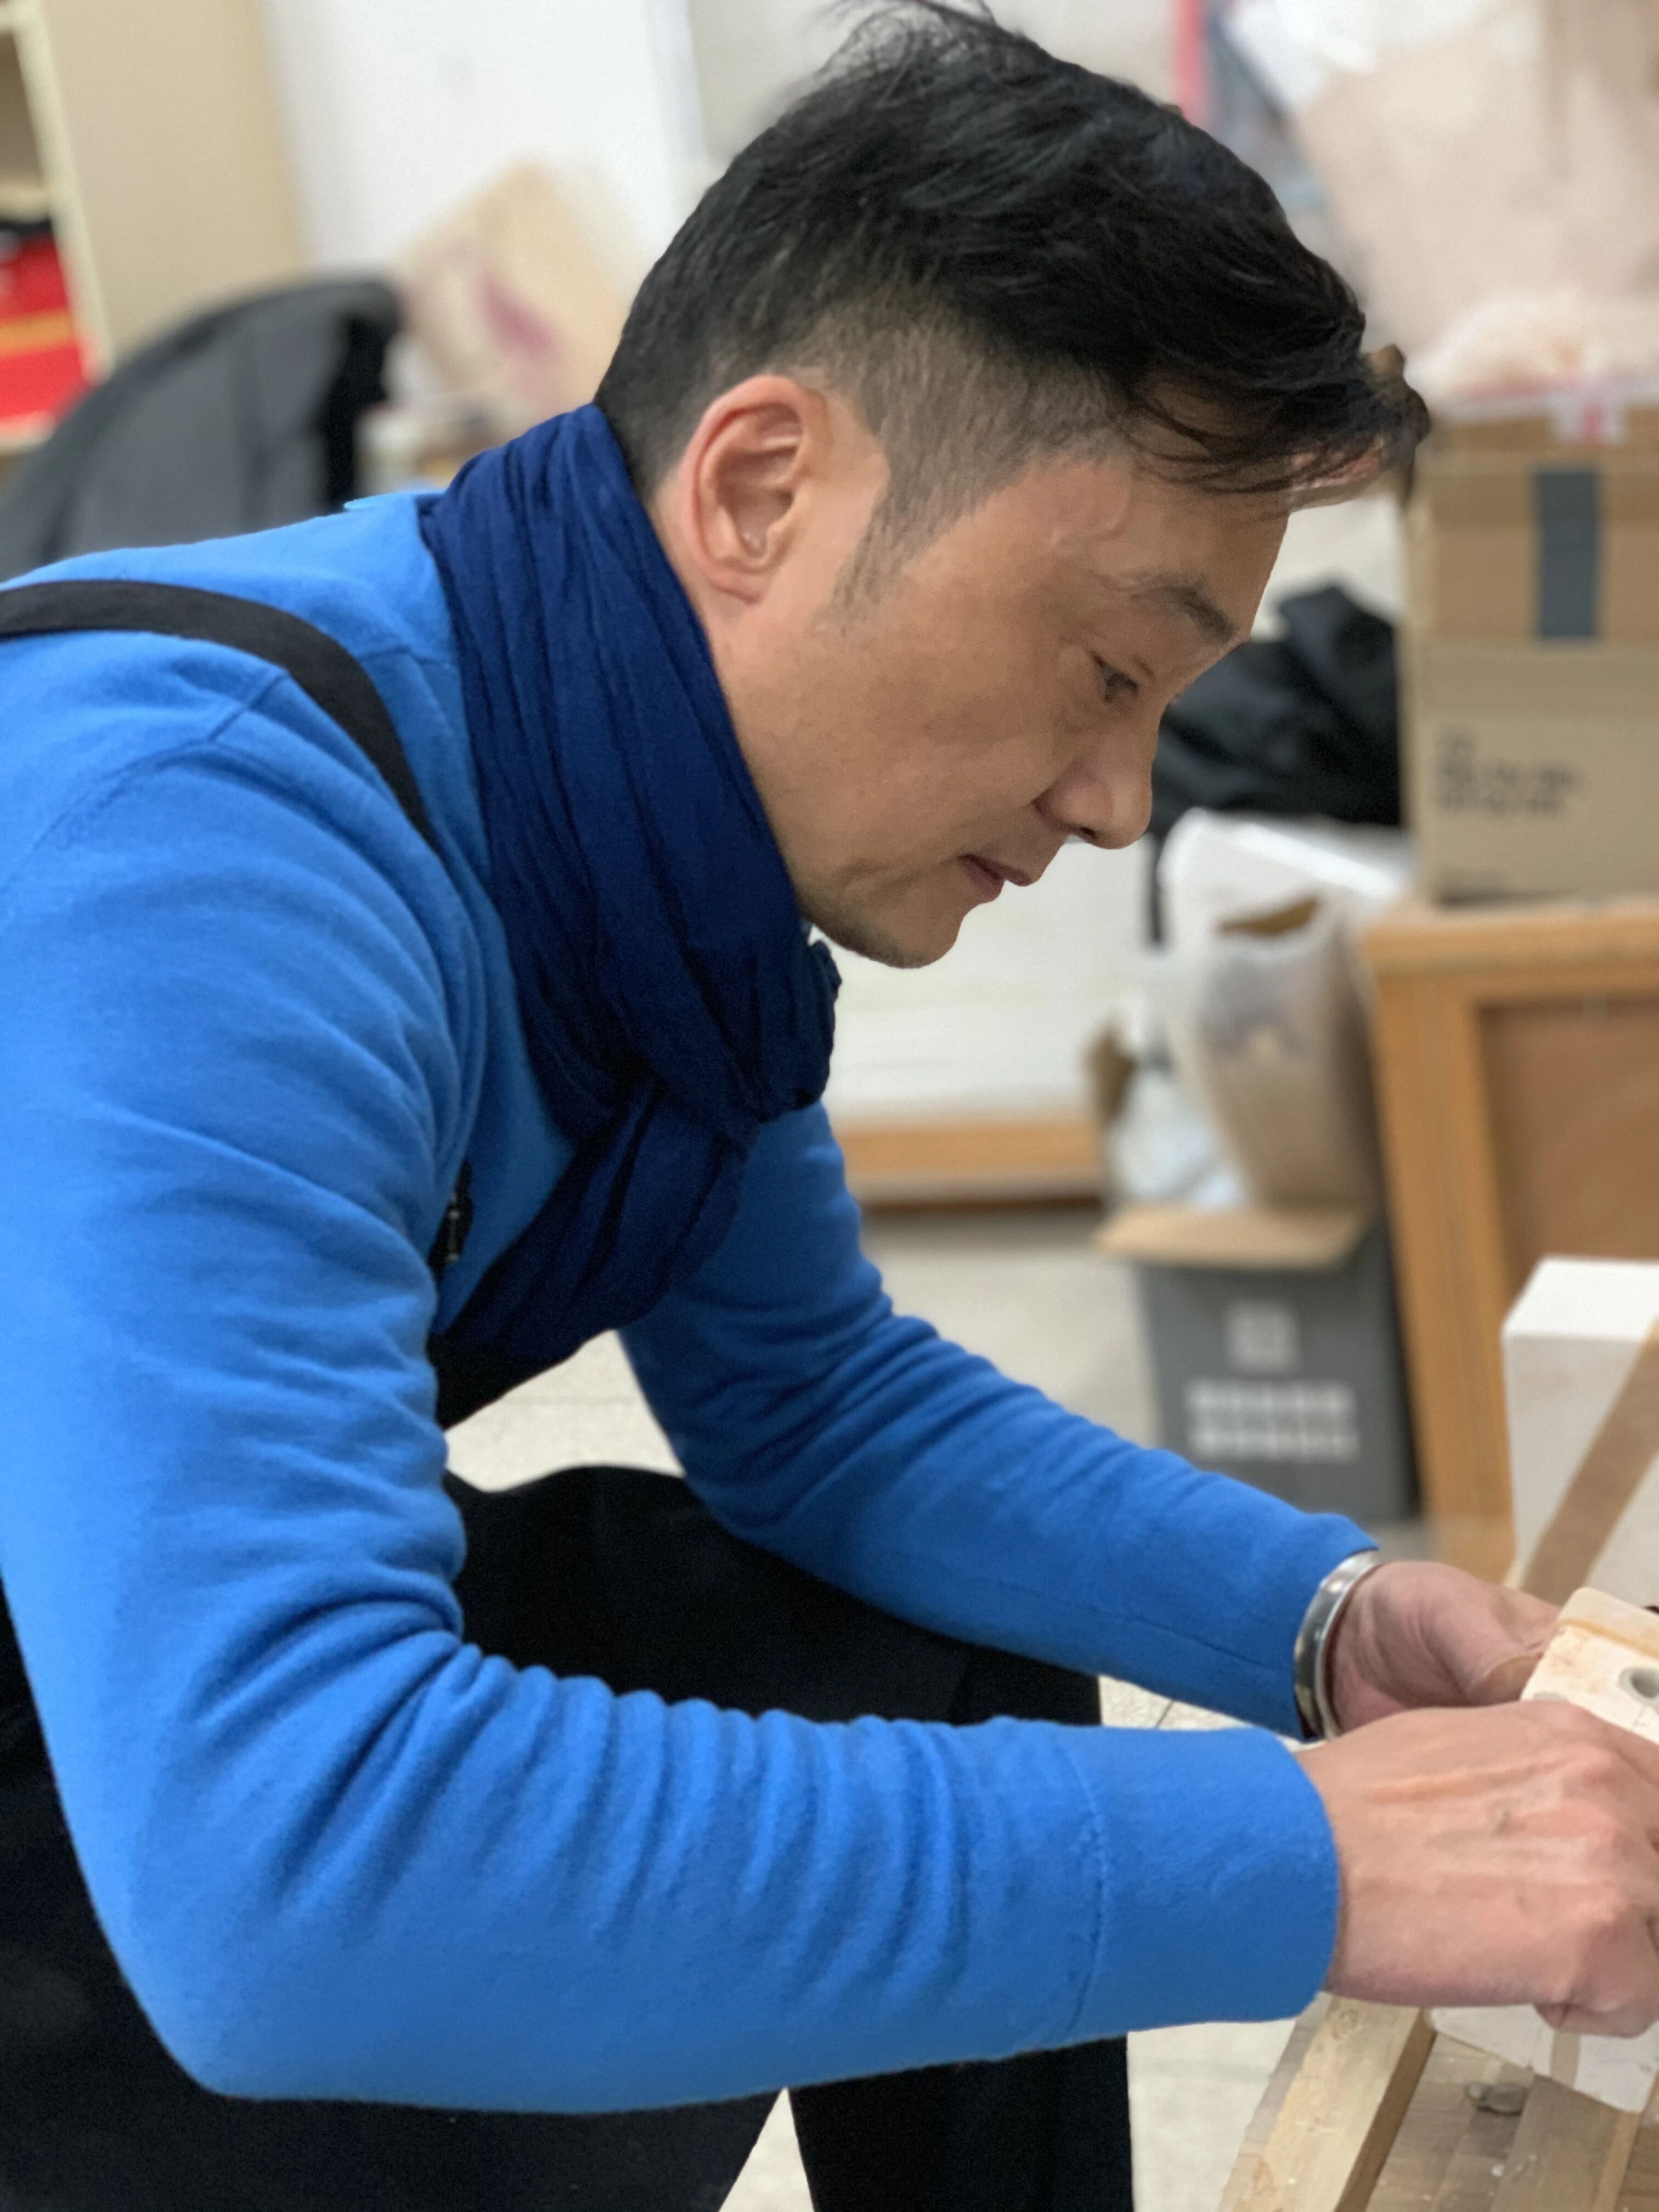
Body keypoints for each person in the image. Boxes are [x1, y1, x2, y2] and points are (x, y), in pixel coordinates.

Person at [3, 8, 1657, 2210]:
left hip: (90, 1658)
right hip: (127, 1791)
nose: (1119, 801)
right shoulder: (196, 853)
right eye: (1107, 666)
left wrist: (1328, 1622)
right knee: (398, 1922)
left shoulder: (633, 806)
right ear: (763, 490)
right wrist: (1312, 1860)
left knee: (928, 1649)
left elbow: (817, 1412)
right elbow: (290, 1865)